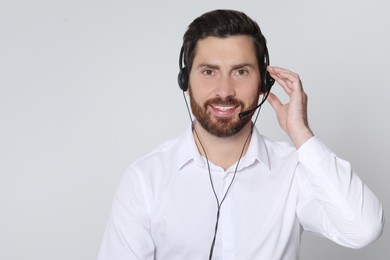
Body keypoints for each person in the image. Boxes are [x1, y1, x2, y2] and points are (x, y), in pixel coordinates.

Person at [98, 9, 384, 260]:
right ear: (185, 82)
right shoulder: (145, 179)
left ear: (264, 82)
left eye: (241, 72)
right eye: (209, 72)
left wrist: (301, 135)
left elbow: (363, 229)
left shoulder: (294, 170)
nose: (224, 90)